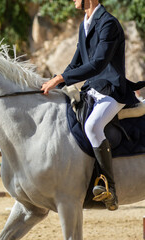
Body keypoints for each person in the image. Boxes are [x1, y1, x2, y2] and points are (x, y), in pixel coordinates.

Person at [41, 0, 139, 211]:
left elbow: (98, 64)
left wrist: (60, 78)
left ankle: (109, 188)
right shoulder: (84, 24)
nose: (73, 0)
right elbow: (76, 62)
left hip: (112, 90)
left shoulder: (108, 23)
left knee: (93, 126)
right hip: (92, 89)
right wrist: (57, 81)